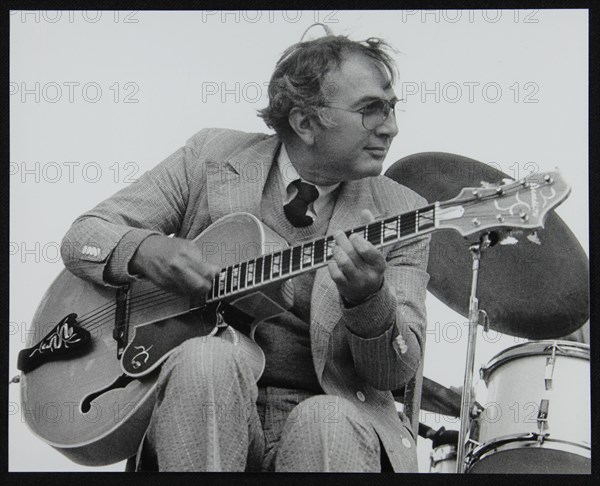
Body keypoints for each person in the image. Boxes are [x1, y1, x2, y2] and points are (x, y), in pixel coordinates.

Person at [60, 33, 430, 472]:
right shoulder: (210, 157)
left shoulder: (404, 213)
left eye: (390, 106)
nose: (390, 127)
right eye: (371, 109)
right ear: (305, 123)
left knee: (327, 420)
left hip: (332, 415)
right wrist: (143, 248)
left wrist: (368, 300)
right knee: (208, 359)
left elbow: (395, 373)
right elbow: (84, 236)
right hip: (202, 406)